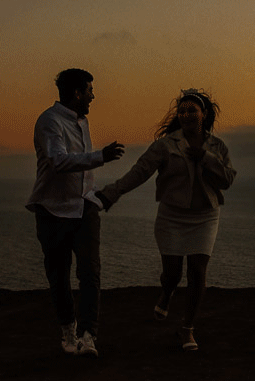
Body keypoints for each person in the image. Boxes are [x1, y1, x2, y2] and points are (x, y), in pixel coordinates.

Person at [97, 89, 235, 352]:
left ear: (203, 114)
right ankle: (168, 291)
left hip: (205, 216)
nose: (185, 115)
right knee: (172, 273)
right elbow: (140, 172)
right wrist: (110, 194)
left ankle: (187, 329)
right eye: (181, 111)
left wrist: (205, 159)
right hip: (172, 216)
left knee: (198, 271)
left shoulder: (217, 147)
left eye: (191, 110)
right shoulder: (165, 145)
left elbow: (227, 180)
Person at [26, 68, 125, 357]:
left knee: (90, 272)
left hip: (84, 206)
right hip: (52, 210)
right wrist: (100, 157)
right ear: (77, 93)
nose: (94, 96)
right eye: (90, 91)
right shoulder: (49, 121)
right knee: (58, 275)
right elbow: (58, 161)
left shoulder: (82, 122)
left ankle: (88, 335)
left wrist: (93, 195)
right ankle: (68, 330)